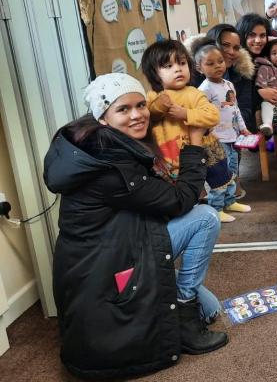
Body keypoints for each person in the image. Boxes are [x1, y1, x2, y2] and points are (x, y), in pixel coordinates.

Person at [43, 73, 227, 379]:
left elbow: (152, 201)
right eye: (124, 109)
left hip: (117, 248)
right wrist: (195, 143)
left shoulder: (98, 146)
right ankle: (183, 311)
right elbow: (179, 201)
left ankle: (184, 302)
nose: (137, 115)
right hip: (112, 263)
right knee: (204, 219)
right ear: (102, 117)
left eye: (141, 105)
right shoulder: (111, 166)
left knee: (211, 308)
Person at [141, 40, 251, 222]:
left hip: (206, 146)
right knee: (188, 184)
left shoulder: (194, 92)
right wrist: (160, 105)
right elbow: (151, 114)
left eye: (182, 63)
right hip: (174, 152)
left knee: (223, 175)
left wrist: (186, 113)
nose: (178, 69)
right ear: (154, 73)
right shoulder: (154, 95)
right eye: (168, 66)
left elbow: (212, 116)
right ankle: (212, 209)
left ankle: (229, 201)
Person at [196, 44, 253, 222]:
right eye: (210, 63)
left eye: (220, 61)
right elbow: (201, 117)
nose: (218, 66)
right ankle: (216, 207)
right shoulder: (204, 90)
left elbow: (235, 110)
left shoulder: (229, 84)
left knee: (232, 170)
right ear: (200, 67)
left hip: (232, 135)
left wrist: (242, 128)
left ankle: (229, 201)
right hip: (215, 139)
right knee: (219, 174)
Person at [188, 23, 256, 132]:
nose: (231, 52)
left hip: (232, 133)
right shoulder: (191, 75)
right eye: (225, 45)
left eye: (236, 48)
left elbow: (246, 110)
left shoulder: (243, 73)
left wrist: (228, 121)